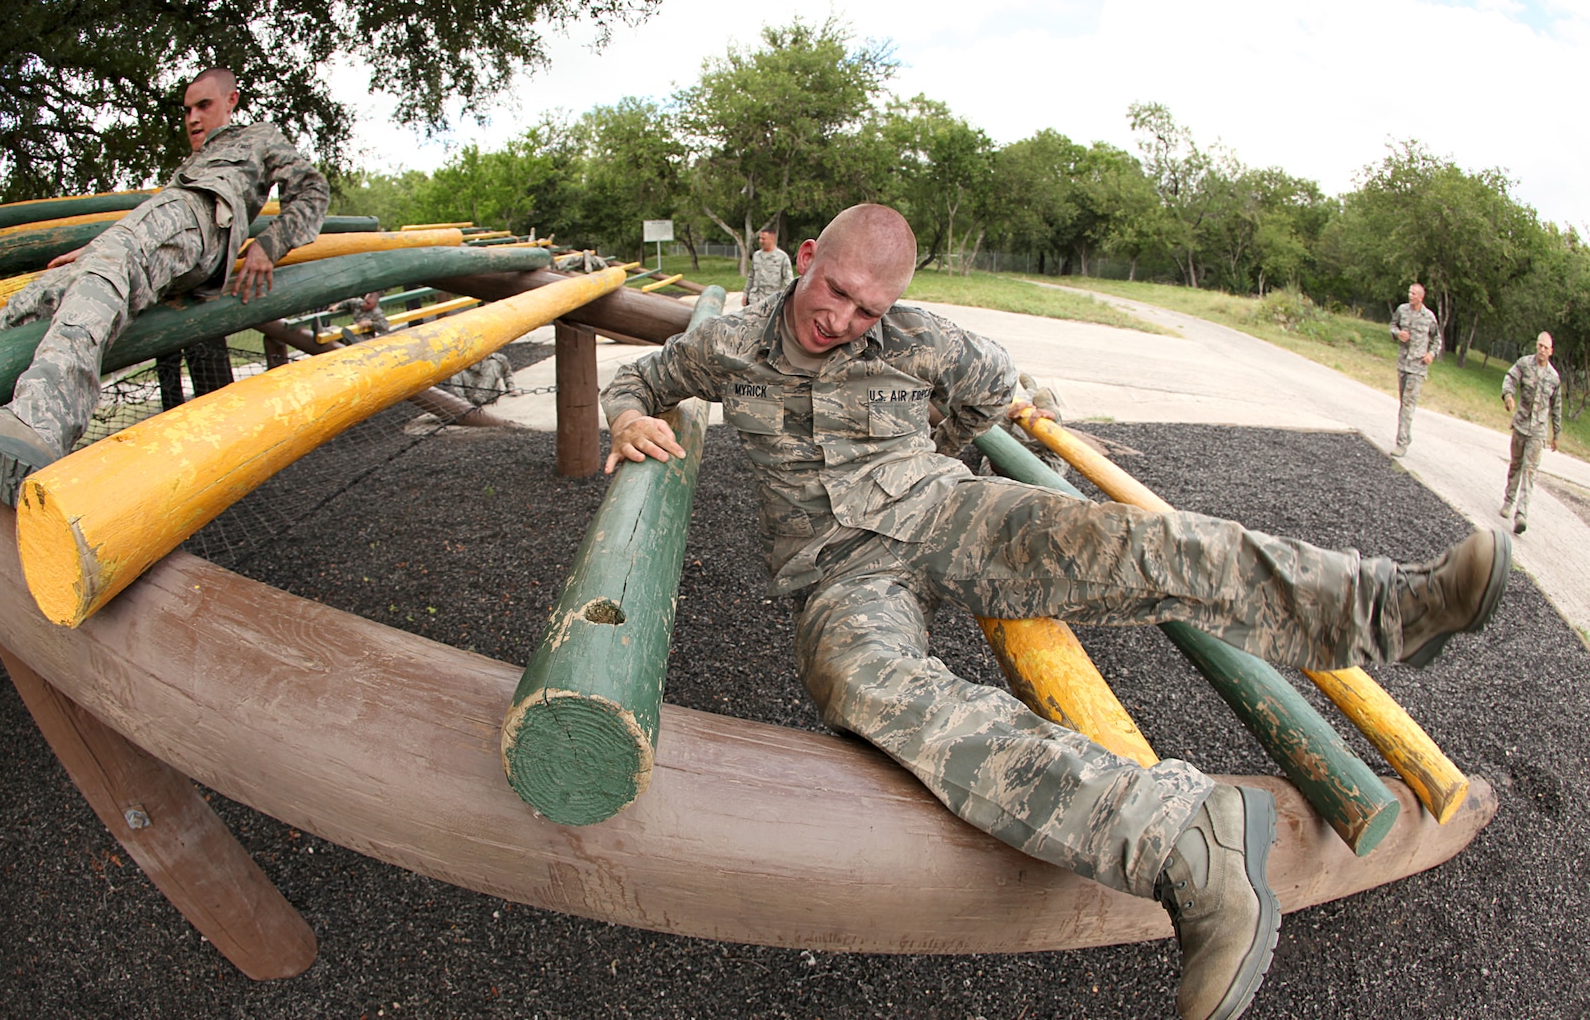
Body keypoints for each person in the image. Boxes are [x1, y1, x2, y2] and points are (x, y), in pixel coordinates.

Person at [601, 204, 1511, 1020]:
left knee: (1143, 545)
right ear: (807, 259)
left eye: (867, 310)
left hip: (945, 514)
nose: (842, 321)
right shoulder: (729, 347)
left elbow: (996, 388)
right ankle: (1189, 842)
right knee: (856, 680)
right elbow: (641, 383)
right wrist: (625, 421)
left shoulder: (922, 340)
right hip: (838, 575)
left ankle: (1399, 604)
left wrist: (940, 455)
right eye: (834, 292)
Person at [0, 67, 330, 506]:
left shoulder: (258, 137)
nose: (193, 118)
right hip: (166, 228)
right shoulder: (190, 163)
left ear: (232, 100)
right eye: (186, 111)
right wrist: (97, 250)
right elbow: (144, 236)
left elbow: (312, 189)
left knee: (110, 262)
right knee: (40, 294)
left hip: (202, 216)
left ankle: (41, 424)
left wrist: (268, 246)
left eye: (204, 105)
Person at [1500, 331, 1563, 535]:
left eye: (1546, 347)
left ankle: (1522, 514)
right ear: (1536, 346)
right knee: (1516, 465)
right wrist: (1508, 396)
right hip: (1520, 425)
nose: (1542, 350)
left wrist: (1557, 433)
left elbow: (1557, 406)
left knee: (1529, 471)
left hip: (1538, 431)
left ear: (1551, 351)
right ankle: (1508, 500)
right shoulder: (1524, 364)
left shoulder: (1554, 378)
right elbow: (1510, 378)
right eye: (1540, 346)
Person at [1389, 283, 1441, 456]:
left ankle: (1401, 443)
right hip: (1403, 363)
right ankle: (1406, 435)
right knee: (1404, 402)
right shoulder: (1402, 310)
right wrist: (1398, 334)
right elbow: (1392, 326)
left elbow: (1436, 339)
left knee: (1408, 405)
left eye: (1413, 293)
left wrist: (1431, 354)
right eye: (1409, 292)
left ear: (1421, 297)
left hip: (1418, 367)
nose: (1410, 296)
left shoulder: (1429, 317)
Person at [743, 226, 793, 306]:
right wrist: (745, 294)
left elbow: (788, 280)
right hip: (754, 300)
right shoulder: (756, 256)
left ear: (772, 239)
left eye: (763, 239)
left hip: (772, 302)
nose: (760, 241)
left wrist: (789, 300)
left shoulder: (782, 257)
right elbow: (751, 277)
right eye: (760, 238)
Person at [328, 290, 392, 341]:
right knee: (333, 329)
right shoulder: (359, 303)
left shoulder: (377, 312)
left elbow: (385, 326)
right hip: (351, 329)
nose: (364, 304)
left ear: (374, 305)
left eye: (368, 303)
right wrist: (337, 306)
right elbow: (348, 302)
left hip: (364, 336)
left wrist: (370, 323)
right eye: (365, 301)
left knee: (357, 339)